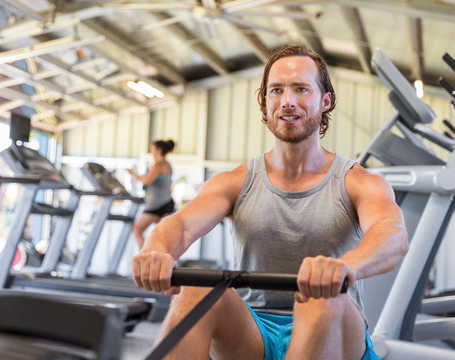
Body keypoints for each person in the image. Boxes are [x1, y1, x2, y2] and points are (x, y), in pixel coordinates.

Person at [132, 45, 409, 360]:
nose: (287, 101)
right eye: (276, 90)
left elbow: (392, 233)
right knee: (194, 291)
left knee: (318, 297)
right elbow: (179, 226)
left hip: (332, 324)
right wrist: (156, 249)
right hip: (254, 330)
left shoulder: (358, 181)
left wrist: (346, 266)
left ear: (325, 101)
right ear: (264, 102)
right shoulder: (235, 180)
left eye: (301, 89)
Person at [128, 139, 176, 250]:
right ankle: (159, 256)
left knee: (137, 230)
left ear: (159, 151)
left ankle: (145, 257)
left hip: (157, 205)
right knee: (162, 235)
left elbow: (146, 181)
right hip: (165, 202)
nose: (151, 152)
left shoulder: (159, 164)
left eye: (152, 150)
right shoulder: (167, 164)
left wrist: (133, 173)